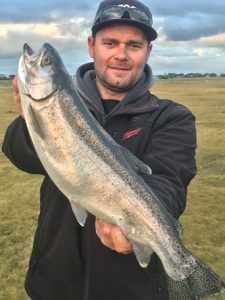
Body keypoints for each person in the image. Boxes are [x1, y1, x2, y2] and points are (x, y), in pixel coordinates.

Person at [2, 0, 197, 299]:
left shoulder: (171, 116)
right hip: (51, 285)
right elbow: (20, 155)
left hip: (130, 290)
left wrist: (142, 220)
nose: (121, 54)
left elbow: (169, 179)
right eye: (110, 42)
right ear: (92, 46)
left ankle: (182, 269)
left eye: (134, 45)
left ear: (148, 51)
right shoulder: (63, 105)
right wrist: (32, 122)